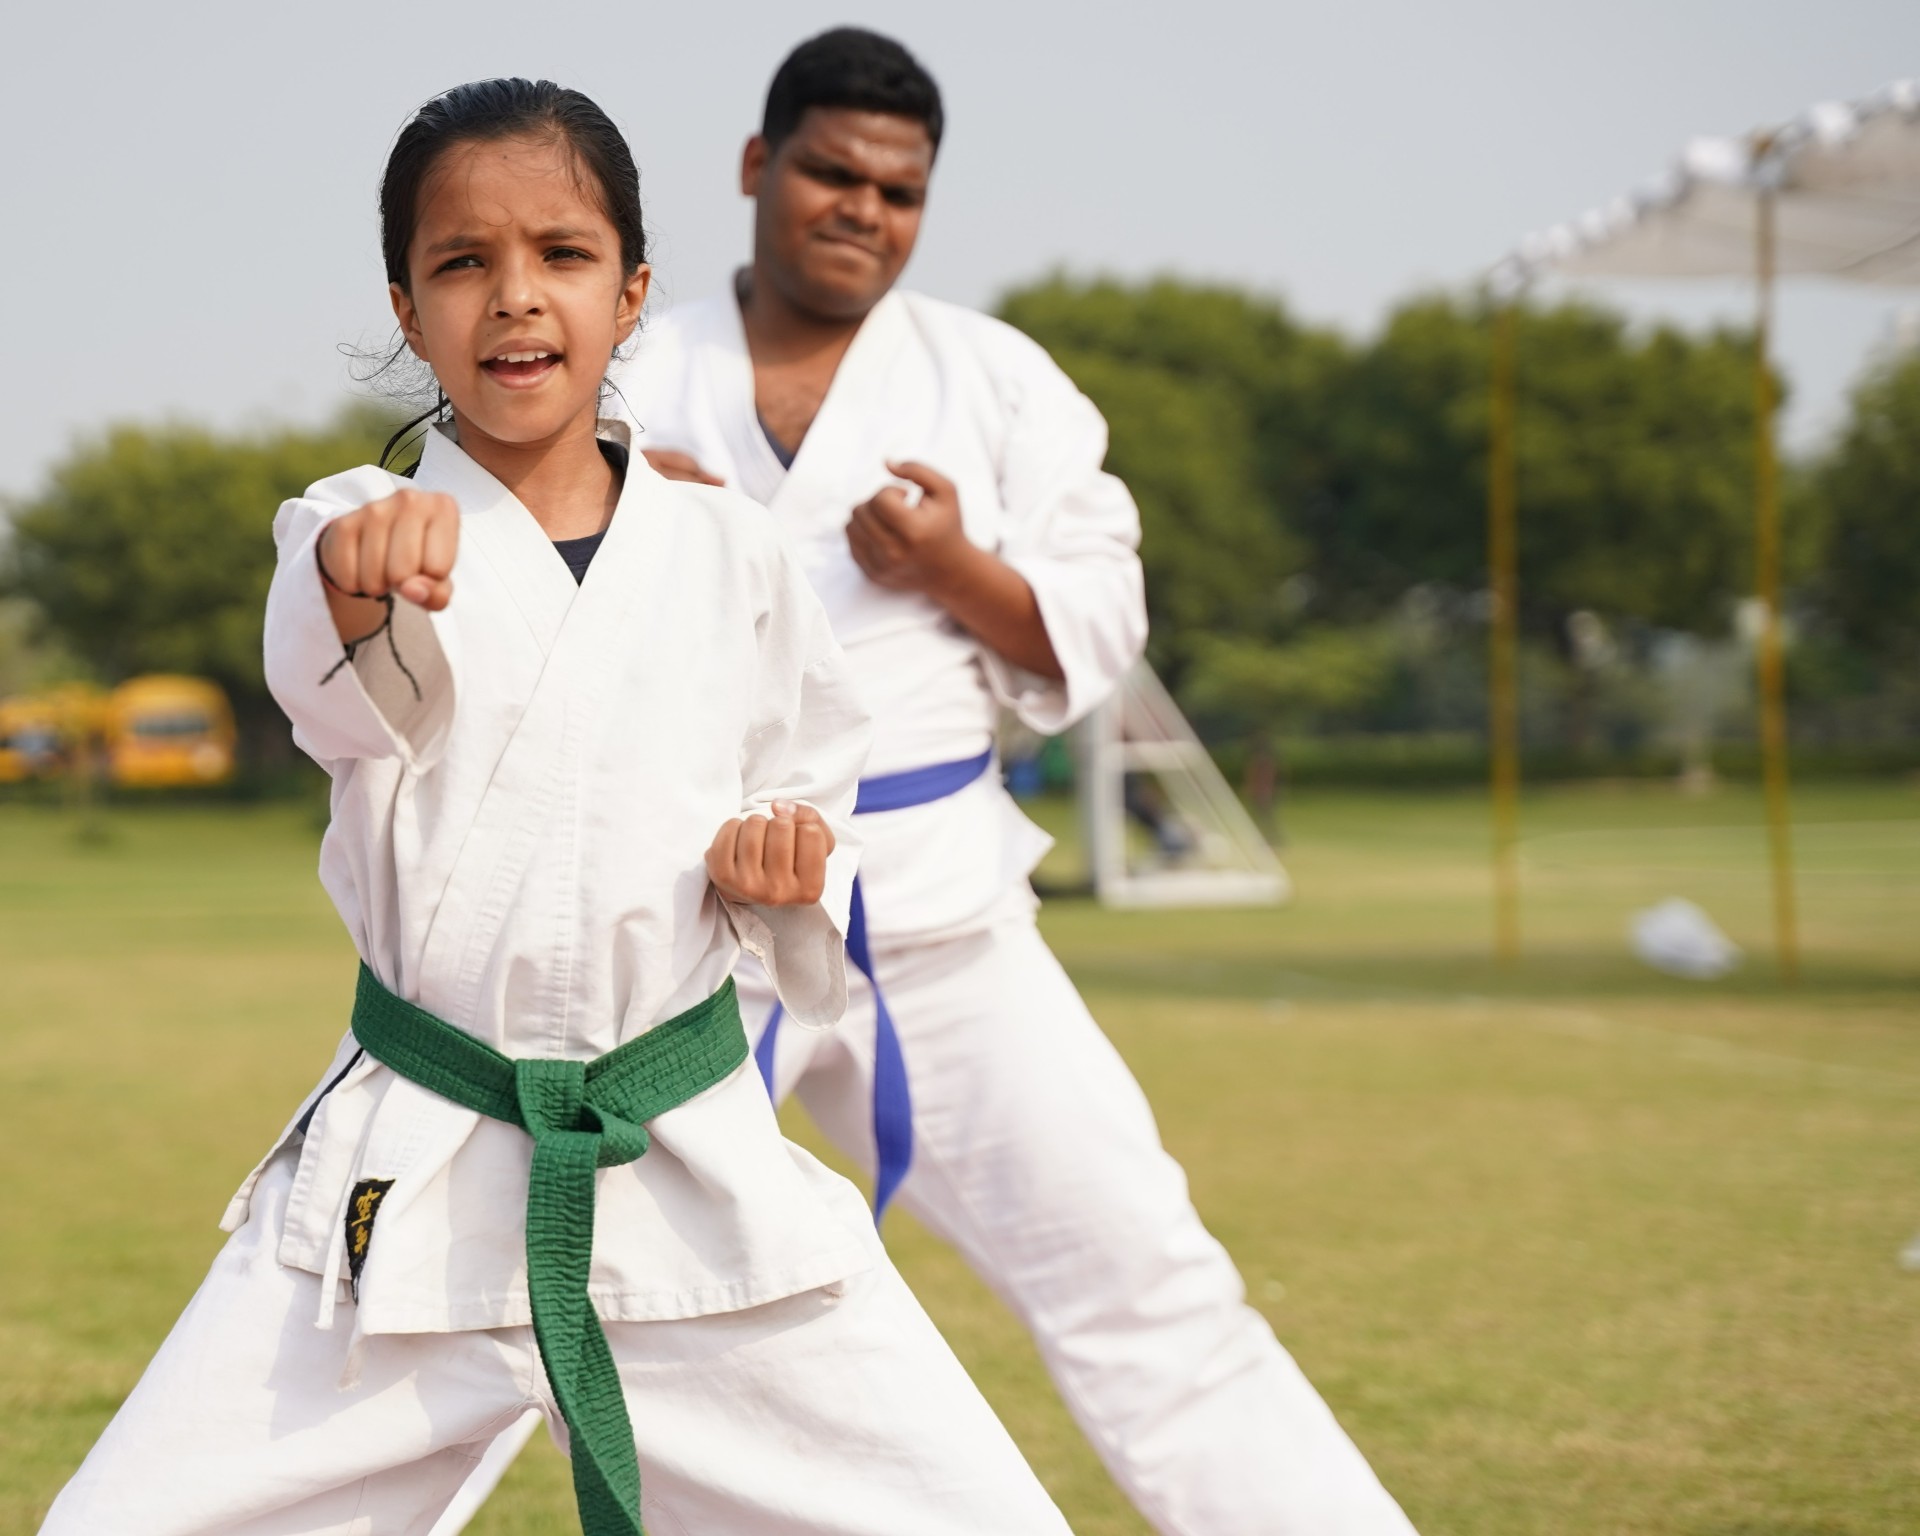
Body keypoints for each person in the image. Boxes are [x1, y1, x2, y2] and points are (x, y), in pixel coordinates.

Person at [38, 78, 1074, 1536]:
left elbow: (807, 800)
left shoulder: (731, 556)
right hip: (412, 1179)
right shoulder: (357, 525)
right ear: (407, 310)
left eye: (562, 256)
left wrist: (781, 875)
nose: (514, 301)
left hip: (688, 1170)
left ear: (633, 291)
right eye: (462, 263)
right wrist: (356, 570)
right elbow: (333, 691)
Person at [463, 30, 1415, 1536]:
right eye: (832, 172)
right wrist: (636, 531)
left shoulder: (998, 382)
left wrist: (957, 569)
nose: (862, 209)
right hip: (686, 924)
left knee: (1143, 1277)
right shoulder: (628, 366)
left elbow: (1098, 633)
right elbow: (496, 568)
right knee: (515, 1290)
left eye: (898, 192)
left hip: (942, 917)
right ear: (758, 169)